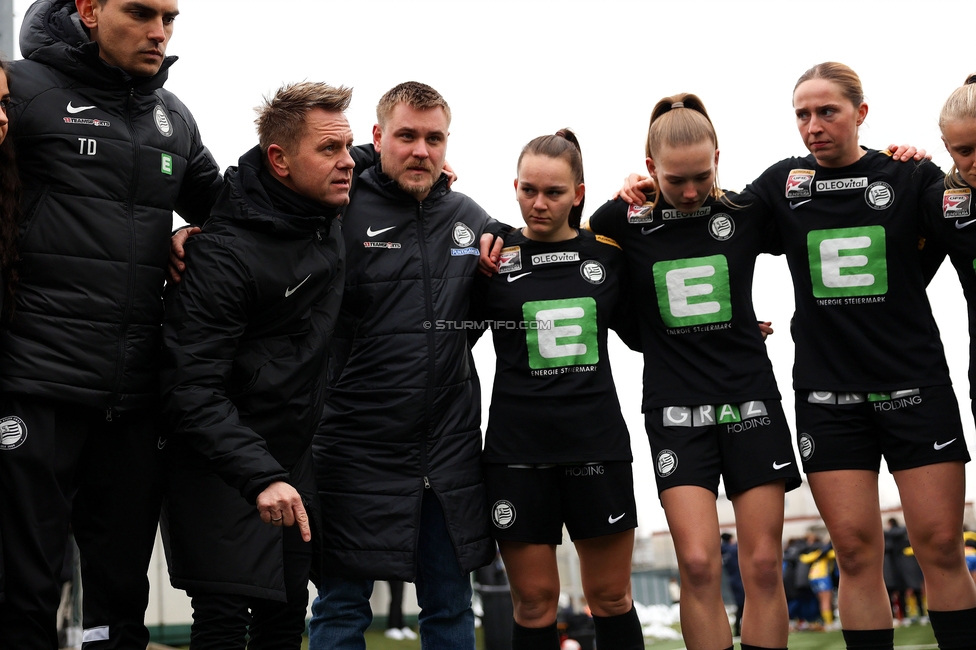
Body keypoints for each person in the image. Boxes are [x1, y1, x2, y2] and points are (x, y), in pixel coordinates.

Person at [0, 1, 223, 648]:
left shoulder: (171, 116)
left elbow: (241, 215)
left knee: (119, 604)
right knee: (27, 592)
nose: (160, 31)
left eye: (171, 17)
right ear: (90, 11)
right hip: (35, 385)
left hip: (131, 399)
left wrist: (196, 235)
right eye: (141, 12)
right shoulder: (24, 89)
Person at [743, 63, 976, 650]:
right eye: (803, 114)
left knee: (942, 545)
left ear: (861, 114)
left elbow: (960, 208)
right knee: (853, 551)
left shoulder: (909, 174)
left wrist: (932, 163)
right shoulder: (781, 185)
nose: (814, 125)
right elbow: (708, 231)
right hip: (829, 398)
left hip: (914, 386)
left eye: (828, 111)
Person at [586, 94, 801, 650]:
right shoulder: (620, 219)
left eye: (702, 177)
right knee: (700, 563)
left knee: (760, 563)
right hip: (675, 409)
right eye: (675, 179)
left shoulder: (746, 213)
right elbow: (576, 264)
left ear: (718, 160)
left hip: (751, 400)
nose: (689, 192)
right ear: (650, 167)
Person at [158, 82, 357, 649]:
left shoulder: (324, 210)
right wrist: (259, 475)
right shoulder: (221, 255)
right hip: (222, 468)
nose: (346, 163)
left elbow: (394, 158)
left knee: (286, 619)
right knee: (223, 620)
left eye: (347, 147)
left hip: (291, 463)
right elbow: (190, 388)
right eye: (329, 150)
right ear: (279, 160)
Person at [308, 81, 501, 650]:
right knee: (341, 608)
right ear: (376, 138)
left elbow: (531, 258)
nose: (422, 150)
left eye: (434, 138)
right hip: (352, 448)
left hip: (447, 452)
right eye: (406, 136)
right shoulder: (335, 211)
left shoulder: (473, 219)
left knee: (449, 606)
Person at [472, 130, 644, 650]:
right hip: (516, 453)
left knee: (611, 597)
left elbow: (650, 332)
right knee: (534, 601)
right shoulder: (492, 259)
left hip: (597, 446)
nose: (539, 203)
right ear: (516, 187)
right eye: (529, 190)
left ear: (578, 192)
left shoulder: (608, 255)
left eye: (554, 192)